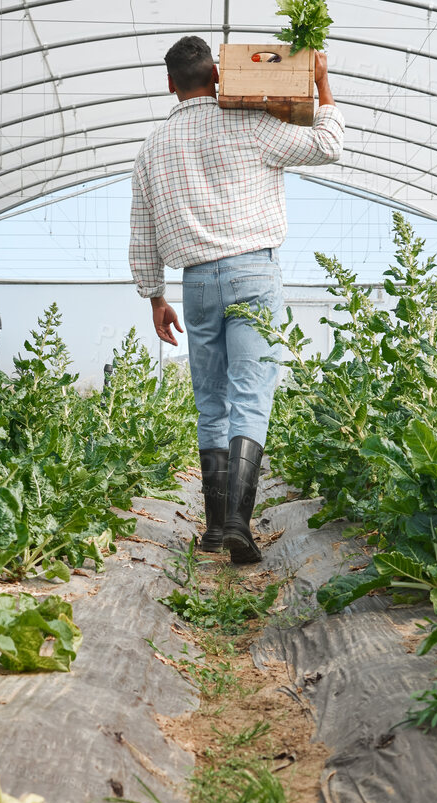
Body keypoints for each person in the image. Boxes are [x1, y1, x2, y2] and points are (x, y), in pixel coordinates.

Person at [129, 35, 343, 563]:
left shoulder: (153, 147)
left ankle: (212, 528)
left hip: (196, 282)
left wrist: (155, 297)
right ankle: (238, 527)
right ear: (219, 76)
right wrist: (318, 80)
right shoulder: (250, 125)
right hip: (253, 272)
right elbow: (328, 145)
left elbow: (143, 233)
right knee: (251, 394)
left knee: (211, 402)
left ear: (171, 84)